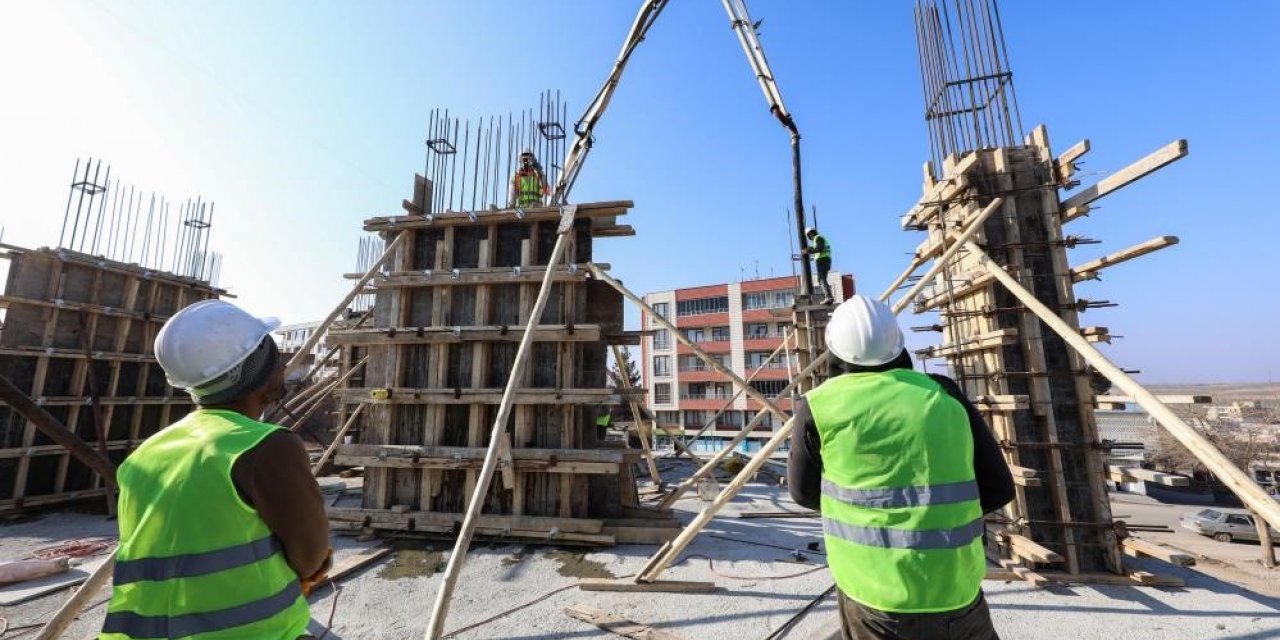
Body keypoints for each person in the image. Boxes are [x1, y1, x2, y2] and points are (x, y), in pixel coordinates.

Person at [787, 295, 1014, 640]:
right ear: (899, 346)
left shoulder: (819, 406)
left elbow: (803, 493)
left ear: (833, 353)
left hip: (872, 596)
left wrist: (867, 514)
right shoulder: (945, 395)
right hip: (955, 590)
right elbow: (999, 488)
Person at [102, 300, 331, 640]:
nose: (283, 363)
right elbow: (311, 557)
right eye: (274, 355)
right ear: (253, 370)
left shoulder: (145, 454)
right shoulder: (266, 447)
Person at [802, 227, 835, 304]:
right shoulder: (819, 239)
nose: (809, 237)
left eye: (809, 236)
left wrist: (808, 251)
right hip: (825, 260)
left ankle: (828, 296)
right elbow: (819, 248)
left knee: (821, 279)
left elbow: (820, 248)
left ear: (811, 234)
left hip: (822, 260)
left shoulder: (818, 238)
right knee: (822, 279)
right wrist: (811, 248)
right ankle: (828, 298)